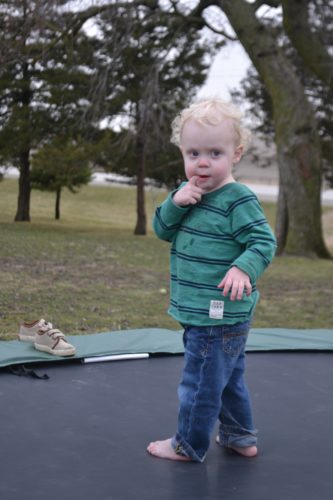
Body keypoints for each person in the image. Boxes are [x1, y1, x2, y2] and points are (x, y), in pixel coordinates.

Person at [147, 98, 276, 463]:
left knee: (200, 383)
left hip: (216, 314)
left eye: (214, 152)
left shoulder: (237, 199)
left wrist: (242, 268)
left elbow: (263, 242)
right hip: (209, 313)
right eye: (193, 153)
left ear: (236, 154)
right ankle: (239, 436)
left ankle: (187, 444)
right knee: (228, 379)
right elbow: (161, 229)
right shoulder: (188, 194)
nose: (202, 162)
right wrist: (176, 201)